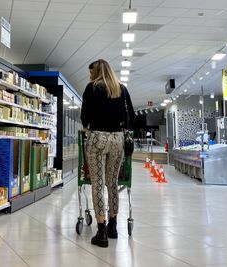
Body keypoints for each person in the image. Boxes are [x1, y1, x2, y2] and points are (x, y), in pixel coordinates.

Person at [81, 59, 135, 248]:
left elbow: (84, 118)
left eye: (91, 72)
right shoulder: (121, 88)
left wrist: (89, 126)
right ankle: (113, 227)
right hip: (117, 140)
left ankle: (101, 231)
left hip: (97, 139)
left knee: (97, 184)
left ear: (96, 72)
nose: (90, 76)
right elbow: (132, 117)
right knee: (112, 183)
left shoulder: (92, 88)